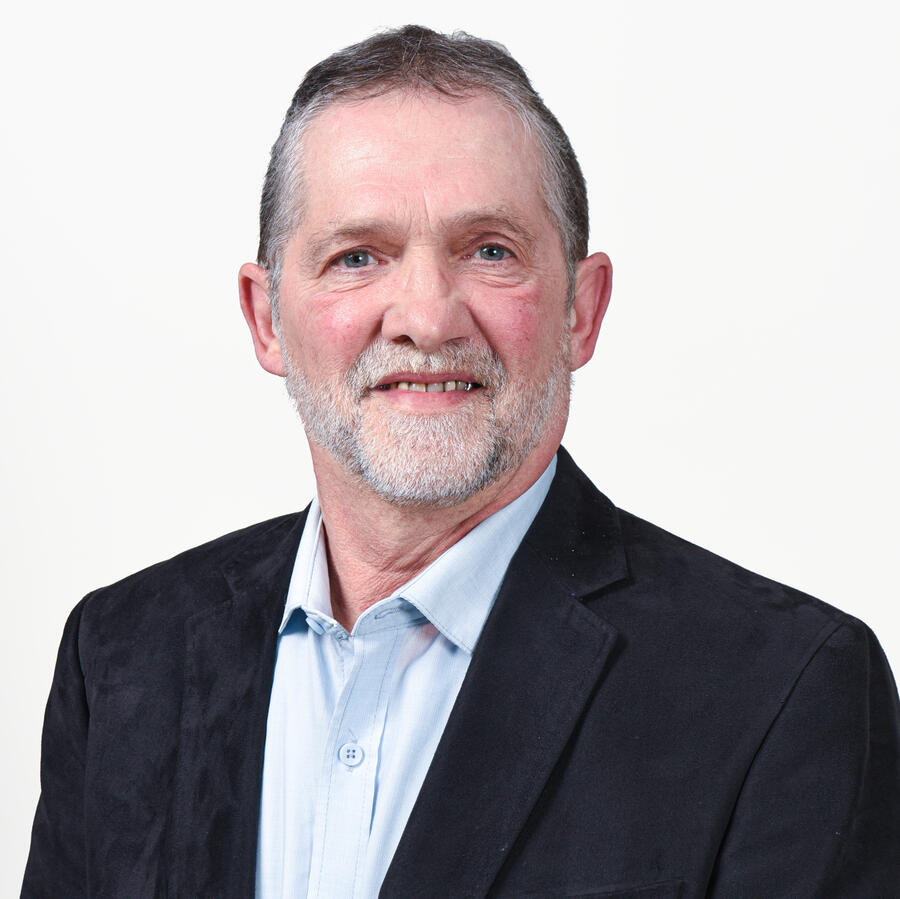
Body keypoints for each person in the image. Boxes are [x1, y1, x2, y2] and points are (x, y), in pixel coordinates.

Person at [22, 25, 900, 899]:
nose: (427, 318)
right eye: (357, 257)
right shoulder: (122, 658)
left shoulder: (784, 693)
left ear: (582, 310)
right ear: (266, 319)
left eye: (489, 251)